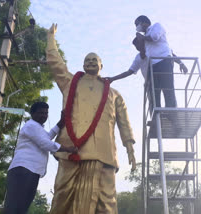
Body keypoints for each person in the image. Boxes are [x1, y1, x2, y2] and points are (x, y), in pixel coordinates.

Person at [46, 23, 136, 214]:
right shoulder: (70, 83)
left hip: (103, 152)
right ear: (83, 65)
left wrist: (129, 147)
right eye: (88, 59)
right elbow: (56, 64)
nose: (91, 62)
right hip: (71, 149)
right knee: (62, 194)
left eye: (95, 60)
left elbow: (124, 122)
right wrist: (50, 39)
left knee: (106, 201)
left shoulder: (114, 94)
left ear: (102, 65)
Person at [3, 101, 77, 214]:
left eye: (46, 113)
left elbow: (47, 137)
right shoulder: (31, 126)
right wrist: (68, 149)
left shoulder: (38, 128)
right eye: (40, 113)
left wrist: (60, 123)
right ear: (32, 114)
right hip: (23, 169)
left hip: (31, 170)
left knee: (22, 206)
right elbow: (45, 143)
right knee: (15, 207)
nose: (44, 115)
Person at [134, 15, 184, 108]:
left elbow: (154, 37)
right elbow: (142, 54)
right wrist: (141, 39)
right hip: (153, 65)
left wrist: (180, 63)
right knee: (155, 92)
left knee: (168, 88)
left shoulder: (156, 26)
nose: (137, 27)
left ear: (143, 22)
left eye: (137, 24)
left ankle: (171, 114)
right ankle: (157, 117)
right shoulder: (145, 37)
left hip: (164, 61)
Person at [107, 36, 188, 83]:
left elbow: (170, 54)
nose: (137, 48)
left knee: (169, 93)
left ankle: (171, 110)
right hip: (150, 82)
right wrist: (112, 79)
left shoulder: (154, 49)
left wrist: (181, 63)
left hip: (162, 75)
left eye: (138, 45)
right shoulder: (139, 57)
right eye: (136, 47)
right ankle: (156, 112)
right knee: (154, 101)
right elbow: (129, 72)